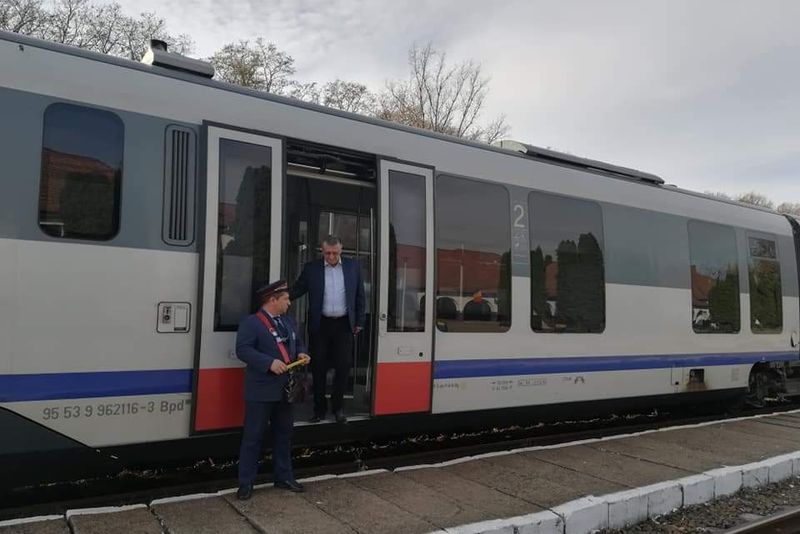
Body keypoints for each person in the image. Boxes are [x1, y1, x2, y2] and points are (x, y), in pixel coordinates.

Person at [235, 280, 311, 501]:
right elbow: (243, 350)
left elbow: (298, 343)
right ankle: (246, 483)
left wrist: (302, 353)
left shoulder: (288, 321)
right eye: (286, 299)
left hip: (285, 390)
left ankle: (283, 477)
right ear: (272, 300)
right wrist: (268, 362)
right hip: (261, 390)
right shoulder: (251, 323)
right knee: (253, 437)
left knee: (284, 435)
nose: (289, 302)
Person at [291, 235, 365, 423]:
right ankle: (319, 409)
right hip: (320, 324)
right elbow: (298, 289)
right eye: (327, 253)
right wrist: (278, 298)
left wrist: (359, 321)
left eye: (335, 253)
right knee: (318, 367)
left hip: (344, 324)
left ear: (341, 251)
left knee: (343, 366)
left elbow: (360, 296)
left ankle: (338, 408)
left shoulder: (353, 267)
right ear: (322, 251)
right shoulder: (312, 269)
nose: (331, 257)